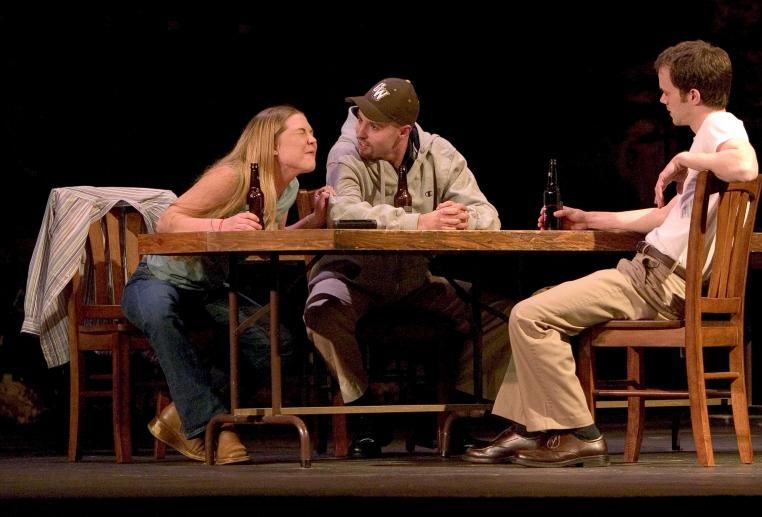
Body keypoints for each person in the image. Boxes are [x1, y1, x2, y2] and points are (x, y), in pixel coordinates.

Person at [463, 40, 759, 467]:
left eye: (667, 91)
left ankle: (579, 434)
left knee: (529, 316)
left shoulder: (718, 128)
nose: (662, 100)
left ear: (693, 95)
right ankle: (530, 428)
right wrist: (587, 219)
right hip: (653, 277)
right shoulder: (711, 143)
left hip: (655, 283)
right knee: (538, 303)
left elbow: (746, 166)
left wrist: (682, 159)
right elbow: (665, 216)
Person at [122, 105, 332, 464]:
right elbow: (169, 220)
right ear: (272, 144)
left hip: (207, 289)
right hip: (158, 279)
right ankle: (210, 428)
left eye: (312, 132)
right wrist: (221, 226)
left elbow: (264, 242)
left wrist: (312, 221)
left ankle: (182, 412)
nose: (313, 140)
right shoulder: (232, 176)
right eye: (302, 132)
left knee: (277, 344)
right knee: (160, 314)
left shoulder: (287, 186)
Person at [304, 78, 503, 458]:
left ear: (403, 131)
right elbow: (343, 213)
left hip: (415, 281)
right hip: (353, 276)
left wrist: (464, 219)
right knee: (322, 310)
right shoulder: (346, 152)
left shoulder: (439, 153)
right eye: (361, 120)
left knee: (504, 318)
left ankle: (451, 415)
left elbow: (488, 214)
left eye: (374, 126)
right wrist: (421, 223)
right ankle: (363, 413)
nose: (361, 131)